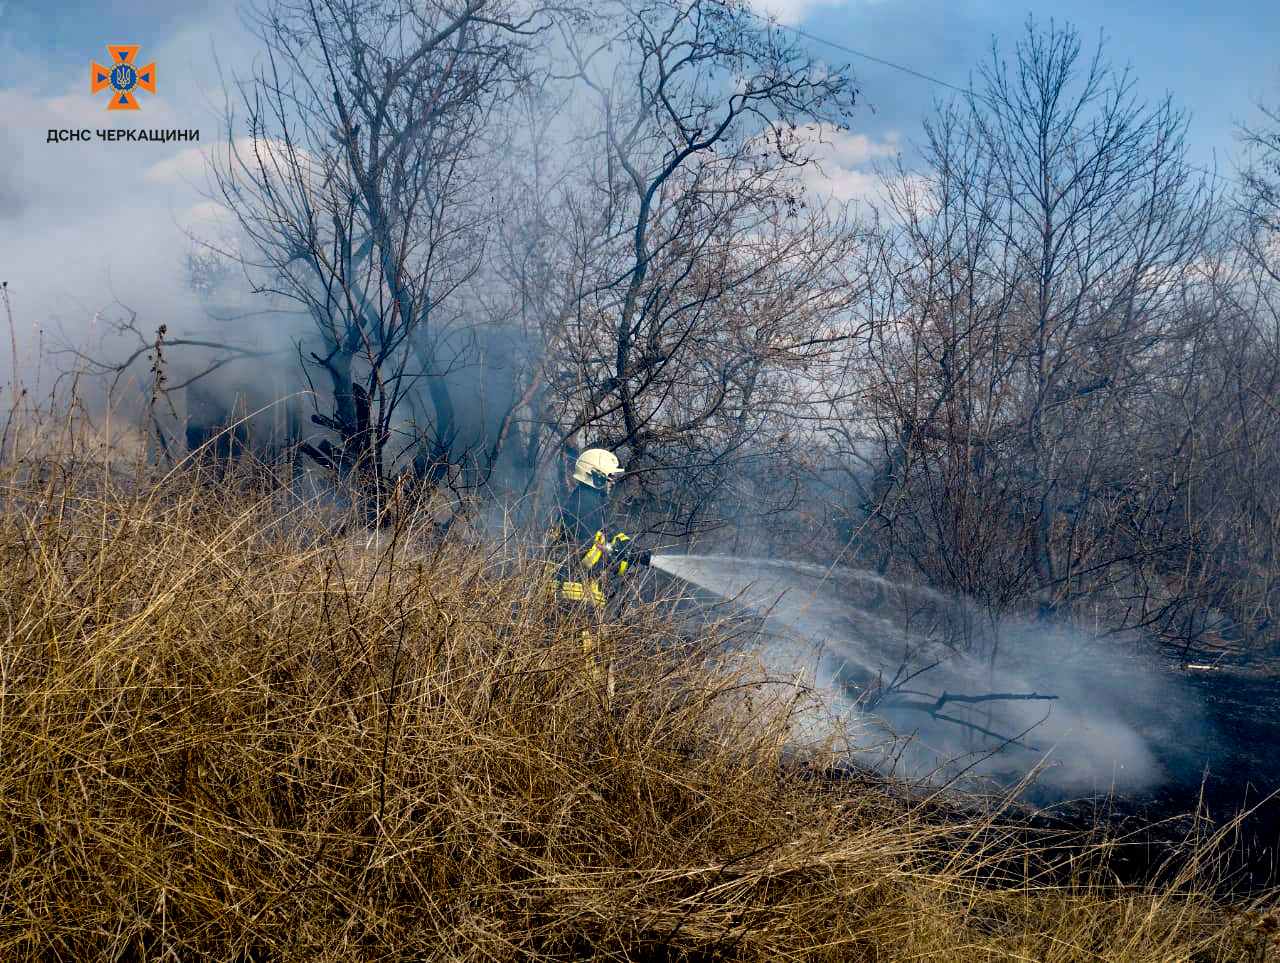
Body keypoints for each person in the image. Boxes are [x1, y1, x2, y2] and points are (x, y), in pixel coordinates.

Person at [546, 447, 652, 681]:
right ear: (596, 477)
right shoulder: (585, 506)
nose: (612, 482)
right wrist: (618, 555)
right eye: (609, 477)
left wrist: (629, 551)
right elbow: (587, 555)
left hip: (577, 596)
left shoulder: (588, 503)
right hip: (573, 597)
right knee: (581, 669)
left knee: (585, 665)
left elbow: (605, 539)